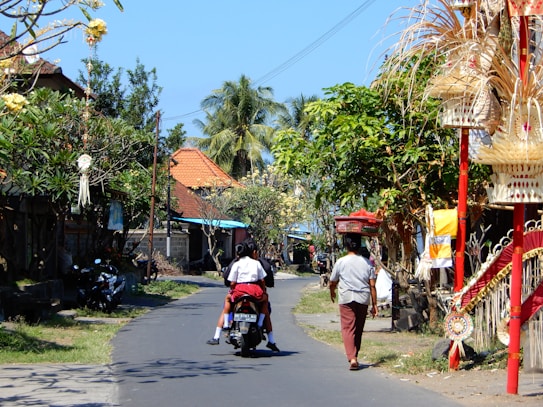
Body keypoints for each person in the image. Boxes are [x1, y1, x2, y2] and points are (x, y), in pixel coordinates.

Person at [206, 238, 280, 352]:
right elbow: (263, 280)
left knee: (227, 300)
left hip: (239, 290)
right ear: (253, 252)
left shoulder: (236, 263)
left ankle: (221, 330)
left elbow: (232, 282)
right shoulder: (257, 263)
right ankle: (265, 330)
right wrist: (262, 291)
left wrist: (232, 290)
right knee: (265, 301)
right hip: (255, 290)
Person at [329, 233, 377, 371]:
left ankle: (353, 357)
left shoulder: (341, 262)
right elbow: (372, 285)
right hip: (363, 298)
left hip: (346, 298)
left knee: (348, 328)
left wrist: (332, 291)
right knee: (358, 328)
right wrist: (374, 304)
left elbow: (333, 281)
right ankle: (355, 355)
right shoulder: (367, 263)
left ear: (346, 245)